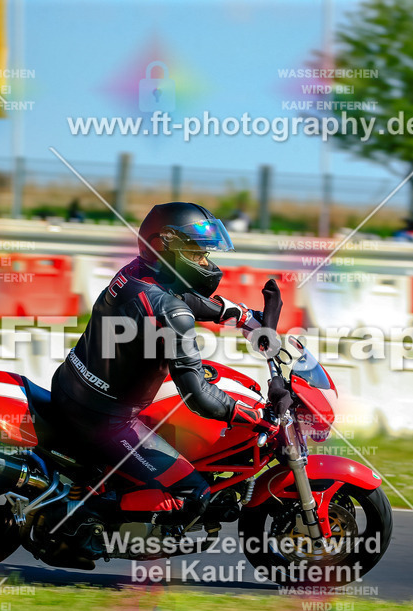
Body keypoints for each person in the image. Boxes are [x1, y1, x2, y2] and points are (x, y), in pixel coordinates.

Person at [51, 202, 277, 545]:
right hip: (105, 421)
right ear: (164, 246)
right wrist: (256, 416)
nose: (205, 261)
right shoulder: (170, 311)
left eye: (205, 252)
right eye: (196, 251)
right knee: (193, 492)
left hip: (75, 387)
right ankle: (81, 527)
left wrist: (244, 317)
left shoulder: (138, 273)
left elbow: (182, 296)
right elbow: (198, 395)